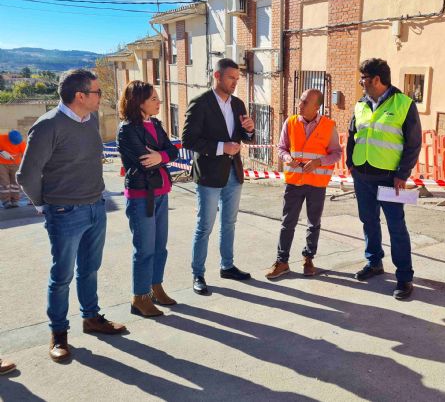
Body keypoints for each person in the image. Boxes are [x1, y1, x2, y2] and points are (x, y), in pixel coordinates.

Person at [17, 69, 126, 363]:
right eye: (97, 92)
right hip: (64, 212)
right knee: (62, 276)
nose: (100, 97)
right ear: (80, 96)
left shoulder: (90, 121)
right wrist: (43, 204)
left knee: (90, 269)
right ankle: (59, 334)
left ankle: (91, 318)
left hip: (95, 207)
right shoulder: (47, 126)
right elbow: (26, 175)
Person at [346, 58, 422, 299]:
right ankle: (374, 262)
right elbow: (352, 135)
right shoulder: (361, 104)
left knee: (396, 228)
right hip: (363, 176)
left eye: (363, 79)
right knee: (368, 221)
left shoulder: (404, 104)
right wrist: (351, 163)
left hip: (390, 180)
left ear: (376, 80)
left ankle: (404, 277)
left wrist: (402, 174)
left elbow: (413, 143)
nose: (361, 83)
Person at [182, 58, 255, 295]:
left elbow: (245, 136)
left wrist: (250, 130)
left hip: (233, 172)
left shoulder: (238, 104)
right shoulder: (200, 103)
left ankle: (227, 266)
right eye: (231, 78)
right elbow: (188, 141)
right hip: (209, 175)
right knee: (205, 226)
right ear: (217, 76)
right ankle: (198, 273)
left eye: (237, 78)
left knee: (229, 223)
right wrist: (221, 147)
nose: (235, 82)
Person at [117, 80, 179, 317]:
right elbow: (145, 160)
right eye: (153, 98)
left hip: (161, 192)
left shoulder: (155, 123)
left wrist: (161, 155)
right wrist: (163, 156)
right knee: (144, 249)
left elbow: (172, 151)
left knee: (160, 247)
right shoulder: (127, 129)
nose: (158, 102)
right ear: (138, 102)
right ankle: (139, 297)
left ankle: (156, 287)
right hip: (142, 196)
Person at [265, 88, 342, 279]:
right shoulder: (290, 122)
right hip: (294, 183)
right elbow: (281, 147)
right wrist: (286, 157)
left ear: (316, 107)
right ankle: (282, 261)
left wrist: (318, 162)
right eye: (300, 100)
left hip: (316, 183)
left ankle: (308, 258)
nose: (300, 104)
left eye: (305, 102)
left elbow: (337, 153)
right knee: (287, 222)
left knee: (313, 223)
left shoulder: (328, 125)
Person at [0, 129, 26, 208]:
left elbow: (26, 154)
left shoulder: (21, 143)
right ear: (8, 138)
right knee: (4, 182)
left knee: (15, 182)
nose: (15, 145)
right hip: (2, 163)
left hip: (15, 163)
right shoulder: (1, 138)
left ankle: (15, 200)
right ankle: (6, 201)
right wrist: (1, 151)